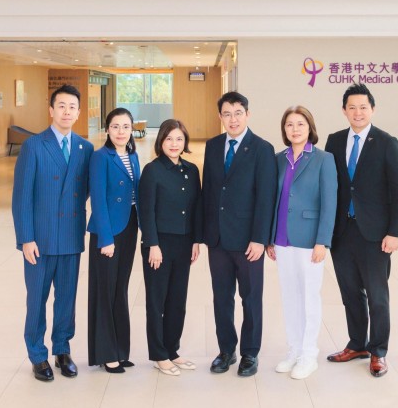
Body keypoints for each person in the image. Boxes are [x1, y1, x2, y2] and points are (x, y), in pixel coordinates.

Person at [323, 83, 398, 378]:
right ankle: (357, 344)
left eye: (363, 107)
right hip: (342, 231)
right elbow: (330, 186)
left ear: (372, 109)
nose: (357, 112)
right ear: (344, 110)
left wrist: (395, 232)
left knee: (377, 296)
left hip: (375, 234)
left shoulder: (386, 142)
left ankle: (378, 351)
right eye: (352, 107)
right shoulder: (334, 141)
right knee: (350, 293)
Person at [11, 84, 93, 383]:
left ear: (79, 112)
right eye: (61, 106)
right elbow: (21, 197)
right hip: (40, 240)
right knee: (37, 299)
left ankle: (62, 349)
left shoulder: (85, 148)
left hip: (71, 236)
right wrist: (26, 238)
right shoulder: (34, 146)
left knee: (67, 299)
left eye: (72, 107)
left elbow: (86, 189)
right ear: (51, 110)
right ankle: (37, 354)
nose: (67, 112)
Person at [202, 91, 278, 377]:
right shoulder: (212, 146)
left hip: (248, 241)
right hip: (217, 239)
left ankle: (250, 353)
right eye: (227, 114)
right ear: (220, 117)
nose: (232, 119)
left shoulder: (262, 148)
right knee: (221, 298)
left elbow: (266, 197)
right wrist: (203, 234)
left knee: (251, 297)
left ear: (247, 114)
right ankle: (226, 350)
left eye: (238, 113)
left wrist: (260, 238)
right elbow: (208, 191)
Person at [265, 106, 337, 380]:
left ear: (310, 128)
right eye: (289, 125)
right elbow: (273, 200)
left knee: (309, 297)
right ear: (284, 129)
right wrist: (271, 237)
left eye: (300, 124)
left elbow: (330, 203)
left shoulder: (323, 159)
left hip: (309, 240)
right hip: (282, 239)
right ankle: (294, 350)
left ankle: (309, 355)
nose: (295, 129)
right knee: (289, 297)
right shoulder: (278, 159)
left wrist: (322, 241)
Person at [138, 118, 203, 377]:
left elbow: (197, 207)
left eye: (179, 139)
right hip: (159, 245)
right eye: (169, 139)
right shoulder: (152, 170)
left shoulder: (191, 170)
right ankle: (159, 354)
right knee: (157, 301)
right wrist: (152, 244)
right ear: (160, 141)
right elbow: (146, 211)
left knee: (177, 300)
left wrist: (196, 240)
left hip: (184, 243)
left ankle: (172, 350)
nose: (174, 144)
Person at [87, 107, 141, 373]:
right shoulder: (100, 157)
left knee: (120, 288)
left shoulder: (133, 155)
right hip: (107, 232)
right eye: (116, 126)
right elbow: (97, 199)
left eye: (126, 127)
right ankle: (106, 353)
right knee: (105, 291)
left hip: (129, 227)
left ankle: (120, 349)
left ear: (132, 129)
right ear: (107, 129)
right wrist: (106, 238)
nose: (121, 132)